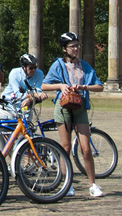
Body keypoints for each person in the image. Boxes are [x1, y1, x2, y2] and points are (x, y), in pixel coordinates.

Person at [41, 30, 104, 198]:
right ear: (64, 49)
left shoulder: (85, 66)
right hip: (62, 107)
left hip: (80, 106)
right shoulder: (58, 65)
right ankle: (67, 183)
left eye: (77, 46)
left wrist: (84, 87)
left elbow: (99, 86)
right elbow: (44, 86)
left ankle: (93, 184)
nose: (76, 49)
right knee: (65, 147)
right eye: (72, 46)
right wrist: (61, 86)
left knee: (86, 148)